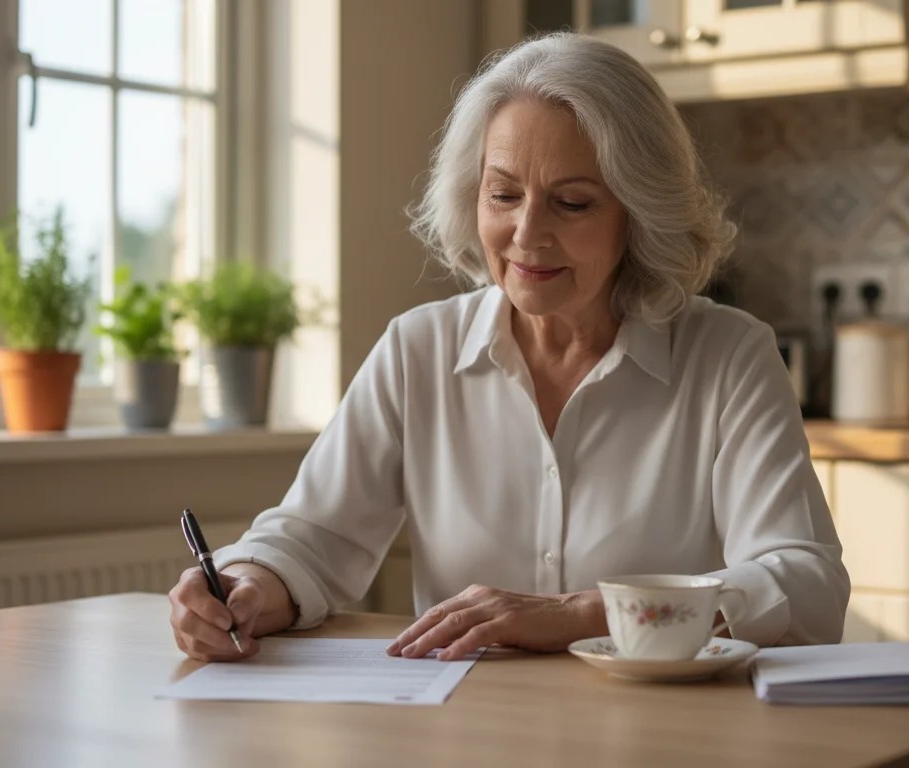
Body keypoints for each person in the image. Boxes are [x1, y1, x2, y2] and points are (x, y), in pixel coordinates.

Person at [168, 32, 849, 663]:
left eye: (573, 203)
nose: (527, 234)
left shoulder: (729, 355)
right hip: (463, 728)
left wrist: (582, 614)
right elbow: (313, 537)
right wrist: (246, 582)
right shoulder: (419, 350)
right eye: (503, 194)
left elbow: (807, 584)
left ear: (638, 217)